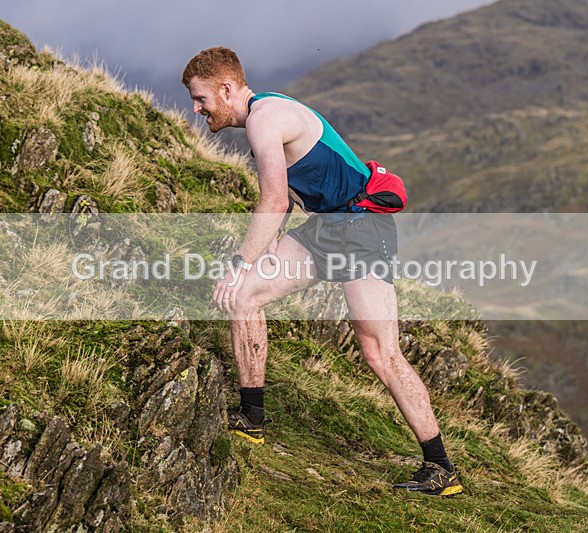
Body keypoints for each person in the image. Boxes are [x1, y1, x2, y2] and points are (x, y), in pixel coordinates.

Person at [182, 46, 462, 497]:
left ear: (227, 89)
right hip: (328, 227)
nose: (197, 110)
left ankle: (441, 468)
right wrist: (267, 247)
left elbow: (274, 200)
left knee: (379, 353)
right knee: (246, 295)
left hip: (364, 229)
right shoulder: (264, 114)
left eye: (201, 99)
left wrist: (240, 263)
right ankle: (252, 417)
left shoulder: (263, 118)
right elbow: (288, 196)